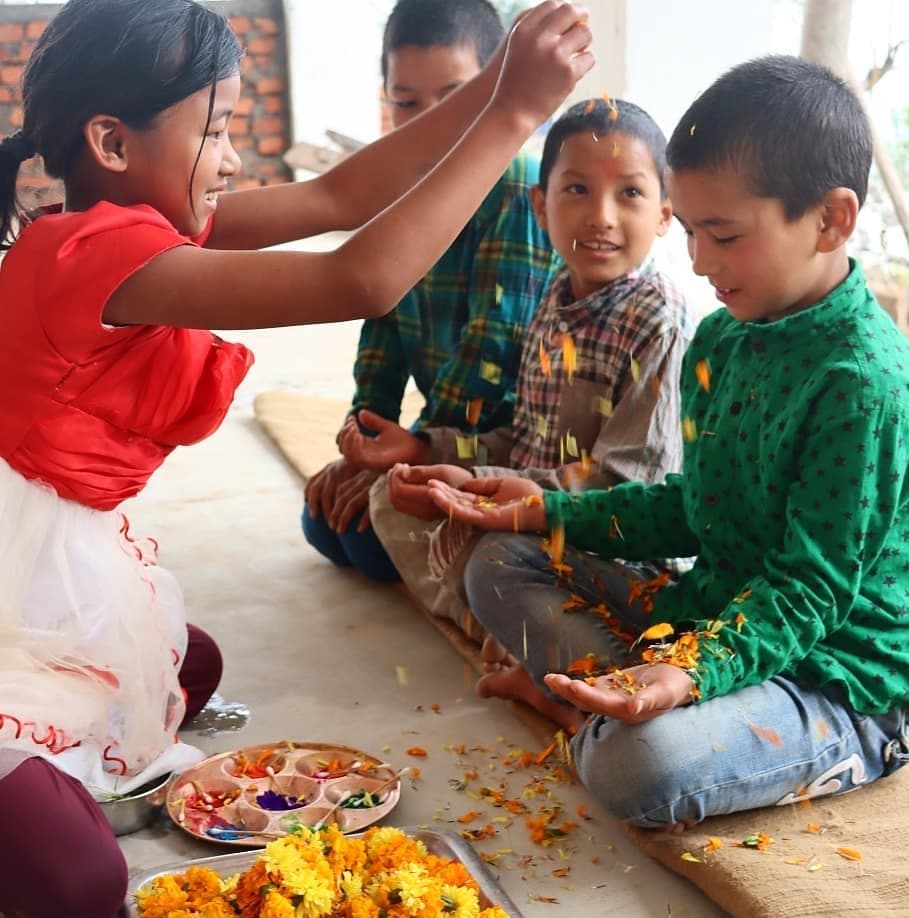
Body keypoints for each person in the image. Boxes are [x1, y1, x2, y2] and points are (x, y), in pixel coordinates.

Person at [0, 1, 593, 914]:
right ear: (113, 142)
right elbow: (357, 274)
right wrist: (514, 114)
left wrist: (495, 87)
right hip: (18, 568)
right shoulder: (94, 256)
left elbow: (336, 198)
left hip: (63, 547)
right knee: (78, 881)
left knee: (185, 669)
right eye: (218, 128)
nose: (233, 154)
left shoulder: (123, 221)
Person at [424, 55, 909, 830]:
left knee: (638, 765)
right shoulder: (723, 338)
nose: (697, 261)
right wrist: (543, 510)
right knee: (496, 560)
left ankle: (596, 712)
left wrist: (687, 671)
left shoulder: (864, 383)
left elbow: (810, 592)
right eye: (689, 231)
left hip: (836, 673)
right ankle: (616, 701)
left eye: (722, 234)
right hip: (717, 615)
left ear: (832, 219)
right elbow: (695, 508)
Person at [339, 97, 695, 637]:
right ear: (540, 205)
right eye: (577, 189)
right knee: (389, 498)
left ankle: (509, 633)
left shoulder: (658, 322)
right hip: (529, 516)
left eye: (631, 193)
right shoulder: (553, 300)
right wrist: (424, 451)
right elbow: (524, 443)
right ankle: (495, 629)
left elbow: (623, 489)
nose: (602, 216)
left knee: (496, 559)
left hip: (618, 552)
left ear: (665, 214)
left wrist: (485, 489)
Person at [302, 0, 560, 583]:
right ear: (385, 97)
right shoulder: (393, 185)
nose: (428, 126)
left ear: (498, 89)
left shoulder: (518, 187)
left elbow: (490, 353)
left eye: (455, 98)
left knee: (369, 543)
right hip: (435, 439)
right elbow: (381, 324)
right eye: (407, 103)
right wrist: (364, 442)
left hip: (508, 446)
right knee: (322, 521)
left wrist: (413, 452)